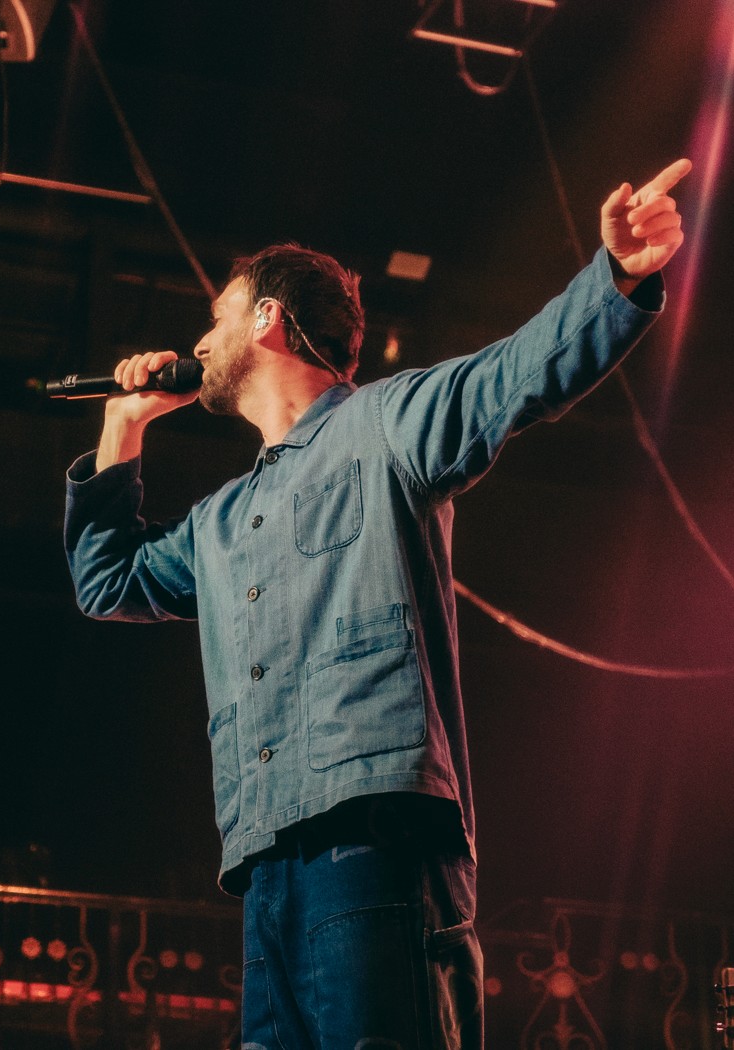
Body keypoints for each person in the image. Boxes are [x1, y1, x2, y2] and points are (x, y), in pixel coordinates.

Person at [63, 158, 691, 1049]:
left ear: (268, 320)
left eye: (217, 317)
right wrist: (122, 426)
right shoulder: (223, 521)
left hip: (374, 834)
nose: (200, 342)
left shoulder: (384, 425)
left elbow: (514, 376)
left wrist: (617, 275)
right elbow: (108, 582)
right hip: (265, 857)